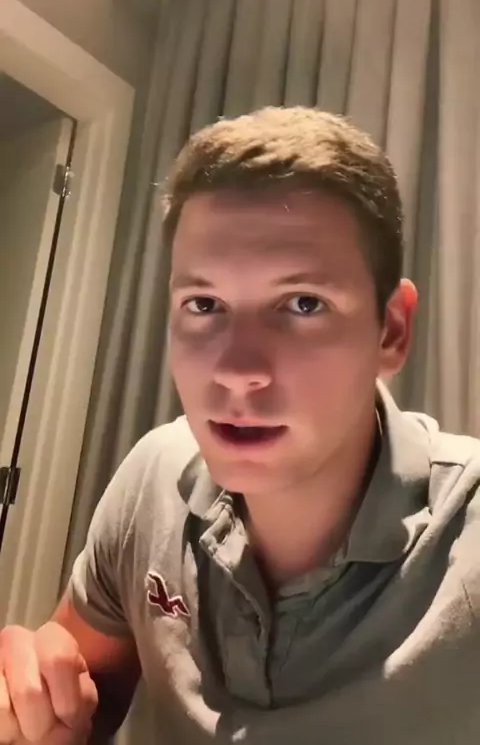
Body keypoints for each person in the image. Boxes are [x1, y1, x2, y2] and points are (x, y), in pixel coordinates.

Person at [1, 106, 479, 745]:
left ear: (391, 329)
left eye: (303, 304)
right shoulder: (154, 479)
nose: (237, 371)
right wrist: (33, 700)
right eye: (204, 304)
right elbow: (79, 698)